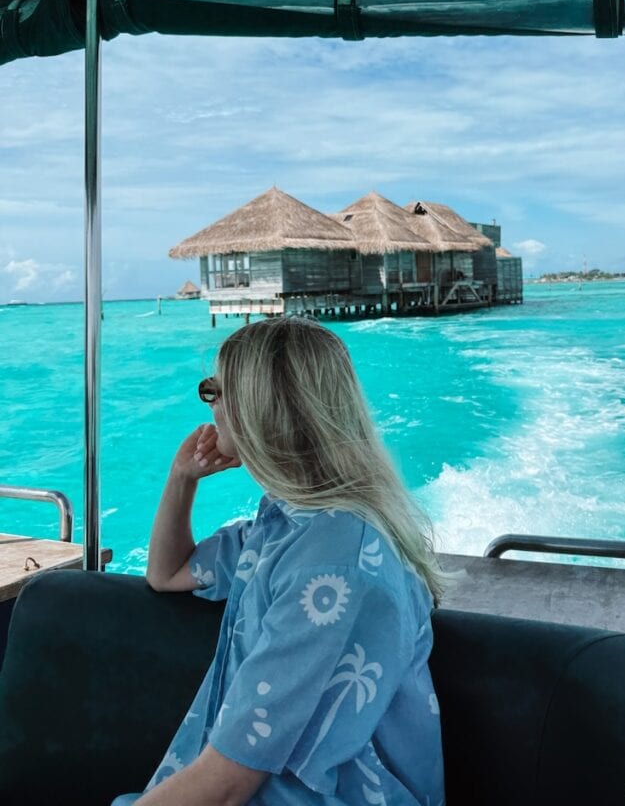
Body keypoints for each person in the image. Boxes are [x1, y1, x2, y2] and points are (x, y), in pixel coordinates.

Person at [112, 316, 445, 806]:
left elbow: (227, 786)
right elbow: (167, 574)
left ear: (258, 405)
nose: (211, 405)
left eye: (216, 389)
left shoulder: (334, 560)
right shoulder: (285, 525)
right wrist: (182, 478)